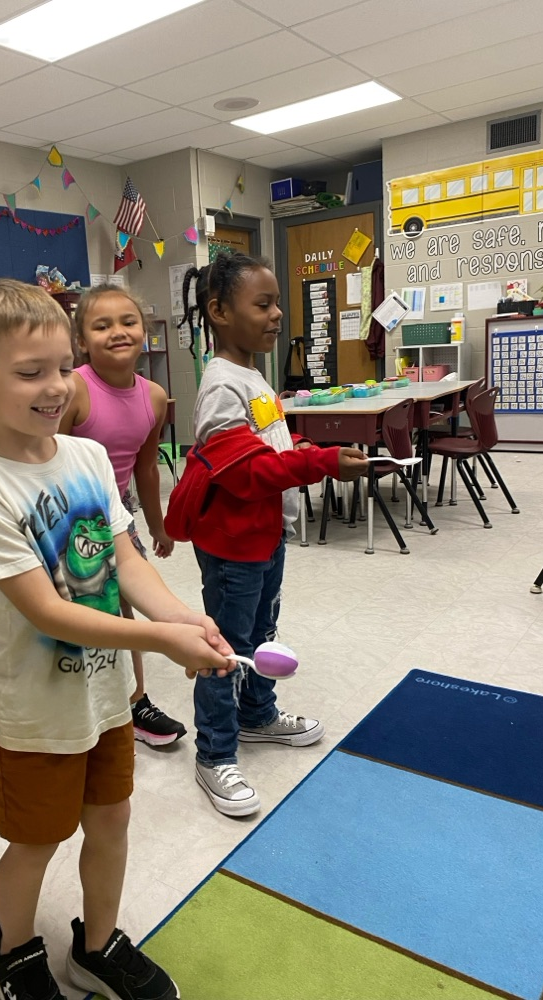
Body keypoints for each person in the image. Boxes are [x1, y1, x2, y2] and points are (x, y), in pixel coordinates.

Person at [0, 279, 234, 1000]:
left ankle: (97, 945)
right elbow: (47, 611)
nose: (54, 388)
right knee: (36, 840)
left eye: (61, 367)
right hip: (35, 710)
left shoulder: (86, 458)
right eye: (29, 372)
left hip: (105, 695)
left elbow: (125, 559)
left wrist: (179, 617)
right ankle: (12, 951)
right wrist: (165, 643)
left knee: (111, 821)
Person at [165, 251, 368, 818]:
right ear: (219, 311)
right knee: (223, 648)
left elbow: (267, 452)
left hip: (264, 536)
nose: (278, 314)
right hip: (232, 546)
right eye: (264, 304)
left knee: (259, 633)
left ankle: (256, 716)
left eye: (277, 302)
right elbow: (247, 474)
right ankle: (214, 754)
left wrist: (304, 453)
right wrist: (321, 462)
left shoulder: (251, 375)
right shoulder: (219, 387)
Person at [59, 283, 185, 748]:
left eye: (128, 321)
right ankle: (86, 699)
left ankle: (134, 703)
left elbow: (147, 465)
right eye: (102, 324)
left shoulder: (153, 396)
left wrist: (158, 524)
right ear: (81, 340)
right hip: (67, 519)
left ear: (145, 331)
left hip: (118, 514)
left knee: (124, 604)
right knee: (76, 611)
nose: (118, 332)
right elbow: (45, 459)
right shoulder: (71, 389)